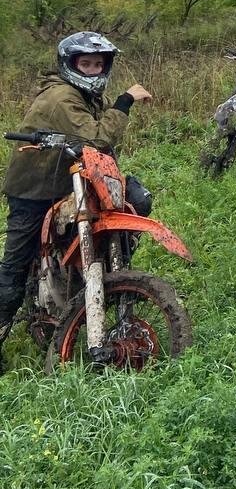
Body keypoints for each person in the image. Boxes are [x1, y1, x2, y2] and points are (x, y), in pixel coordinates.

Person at [0, 32, 152, 332]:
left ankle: (104, 281)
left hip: (73, 183)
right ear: (70, 64)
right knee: (15, 265)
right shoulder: (62, 96)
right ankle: (3, 319)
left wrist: (117, 105)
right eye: (86, 64)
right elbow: (95, 138)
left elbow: (99, 127)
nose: (93, 70)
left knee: (136, 200)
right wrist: (124, 102)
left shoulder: (86, 94)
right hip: (34, 188)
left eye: (99, 64)